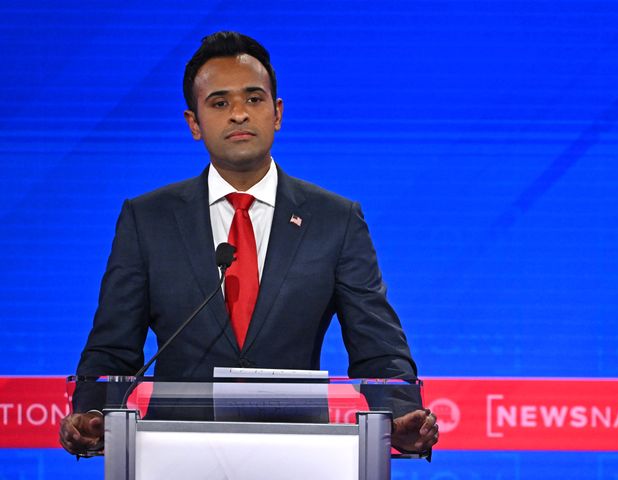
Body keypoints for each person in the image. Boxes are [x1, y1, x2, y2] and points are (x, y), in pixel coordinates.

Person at [59, 31, 438, 457]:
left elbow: (379, 348)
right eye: (220, 103)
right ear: (194, 124)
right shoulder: (148, 219)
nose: (239, 113)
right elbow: (113, 350)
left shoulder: (335, 220)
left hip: (296, 454)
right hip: (176, 455)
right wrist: (91, 413)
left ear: (277, 113)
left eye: (254, 99)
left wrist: (401, 415)